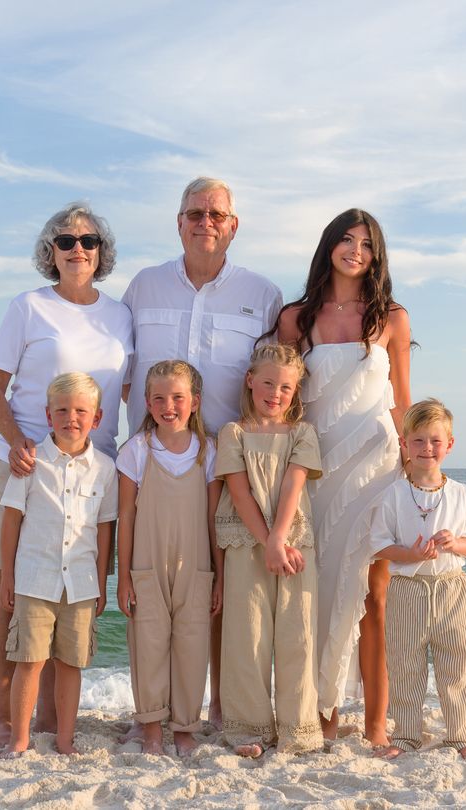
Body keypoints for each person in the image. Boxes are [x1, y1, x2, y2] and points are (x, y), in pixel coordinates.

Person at [122, 176, 281, 726]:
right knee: (152, 589)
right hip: (155, 466)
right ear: (178, 222)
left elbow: (276, 382)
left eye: (216, 213)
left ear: (233, 225)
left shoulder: (262, 296)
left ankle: (213, 708)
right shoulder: (143, 287)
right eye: (194, 213)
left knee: (215, 587)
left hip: (230, 467)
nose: (204, 222)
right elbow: (122, 373)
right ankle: (155, 709)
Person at [0, 202, 132, 746]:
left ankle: (47, 720)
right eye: (65, 241)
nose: (77, 250)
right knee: (10, 591)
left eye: (88, 242)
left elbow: (127, 392)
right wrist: (20, 441)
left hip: (94, 474)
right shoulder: (28, 307)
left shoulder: (119, 315)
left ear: (101, 253)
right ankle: (3, 716)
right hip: (27, 465)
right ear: (50, 252)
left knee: (72, 596)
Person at [274, 208, 412, 747]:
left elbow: (402, 403)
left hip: (377, 468)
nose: (356, 250)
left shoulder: (392, 318)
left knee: (372, 596)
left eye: (367, 243)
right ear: (329, 244)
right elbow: (281, 400)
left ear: (377, 255)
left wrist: (416, 472)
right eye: (347, 239)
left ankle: (375, 727)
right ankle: (321, 715)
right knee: (316, 594)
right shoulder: (295, 318)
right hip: (316, 470)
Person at [0, 373, 117, 757]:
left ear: (96, 419)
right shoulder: (30, 462)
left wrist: (101, 584)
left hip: (81, 585)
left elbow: (104, 531)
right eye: (62, 410)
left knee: (70, 664)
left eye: (81, 411)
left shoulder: (105, 469)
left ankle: (65, 741)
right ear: (49, 416)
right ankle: (20, 739)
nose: (72, 418)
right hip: (35, 579)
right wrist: (8, 577)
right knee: (28, 661)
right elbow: (12, 519)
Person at [214, 343, 324, 757]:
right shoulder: (233, 433)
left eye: (286, 388)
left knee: (298, 634)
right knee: (248, 635)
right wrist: (266, 542)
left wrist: (279, 541)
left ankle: (298, 729)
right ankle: (250, 729)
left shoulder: (302, 433)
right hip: (246, 544)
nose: (275, 393)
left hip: (295, 544)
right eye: (267, 383)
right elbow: (239, 494)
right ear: (250, 381)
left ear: (295, 392)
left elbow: (294, 485)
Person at [368, 398, 466, 761]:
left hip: (452, 587)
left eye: (435, 441)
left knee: (458, 661)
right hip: (408, 588)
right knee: (405, 663)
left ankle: (460, 735)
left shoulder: (460, 493)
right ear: (404, 444)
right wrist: (411, 554)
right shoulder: (393, 494)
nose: (427, 448)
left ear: (449, 445)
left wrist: (456, 543)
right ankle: (405, 735)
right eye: (418, 441)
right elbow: (380, 546)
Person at [116, 360, 223, 756]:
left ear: (194, 401)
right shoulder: (137, 452)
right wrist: (123, 576)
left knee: (192, 643)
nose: (168, 406)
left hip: (196, 565)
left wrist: (220, 576)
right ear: (146, 402)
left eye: (177, 397)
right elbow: (126, 516)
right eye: (159, 398)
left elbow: (214, 518)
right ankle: (150, 729)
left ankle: (184, 727)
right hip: (146, 564)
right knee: (148, 642)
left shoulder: (208, 451)